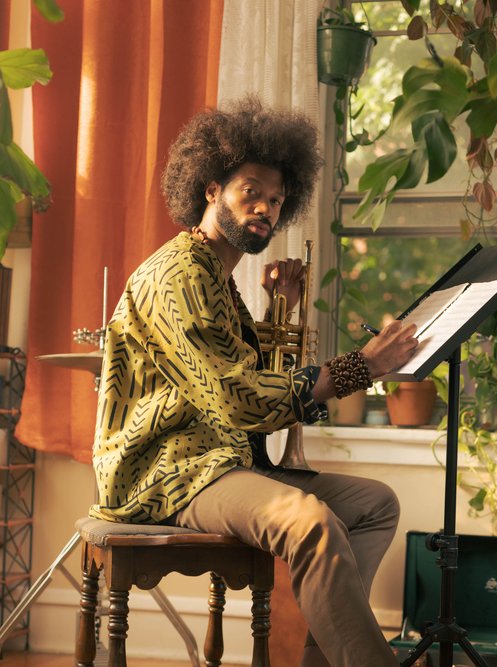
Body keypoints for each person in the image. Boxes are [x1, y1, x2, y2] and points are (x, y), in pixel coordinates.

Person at [90, 97, 419, 667]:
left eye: (277, 199)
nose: (266, 207)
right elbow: (235, 400)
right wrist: (360, 367)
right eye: (252, 191)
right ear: (211, 188)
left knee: (374, 504)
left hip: (222, 462)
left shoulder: (217, 277)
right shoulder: (178, 275)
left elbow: (247, 384)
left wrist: (277, 307)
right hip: (167, 471)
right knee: (312, 524)